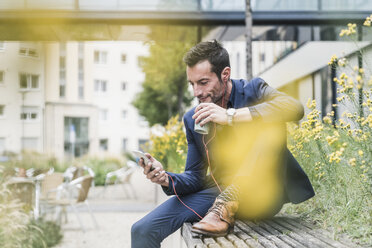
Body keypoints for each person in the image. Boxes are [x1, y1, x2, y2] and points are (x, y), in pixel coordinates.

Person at [131, 40, 314, 247]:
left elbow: (294, 108)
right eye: (192, 84)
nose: (196, 92)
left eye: (203, 82)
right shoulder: (193, 118)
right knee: (142, 229)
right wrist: (165, 178)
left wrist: (230, 116)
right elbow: (194, 177)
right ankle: (225, 202)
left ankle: (230, 199)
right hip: (216, 195)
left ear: (225, 74)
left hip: (261, 194)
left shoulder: (252, 90)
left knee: (273, 120)